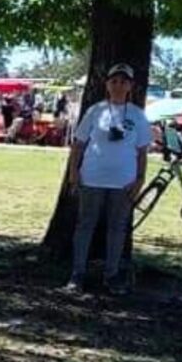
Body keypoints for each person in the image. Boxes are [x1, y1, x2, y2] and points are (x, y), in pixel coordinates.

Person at [65, 62, 151, 295]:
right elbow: (79, 144)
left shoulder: (138, 115)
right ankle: (77, 274)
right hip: (92, 178)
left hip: (124, 183)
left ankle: (111, 275)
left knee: (117, 228)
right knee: (85, 225)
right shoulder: (95, 111)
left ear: (130, 86)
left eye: (124, 81)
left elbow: (143, 152)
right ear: (107, 85)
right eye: (114, 80)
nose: (118, 85)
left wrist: (140, 179)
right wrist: (74, 173)